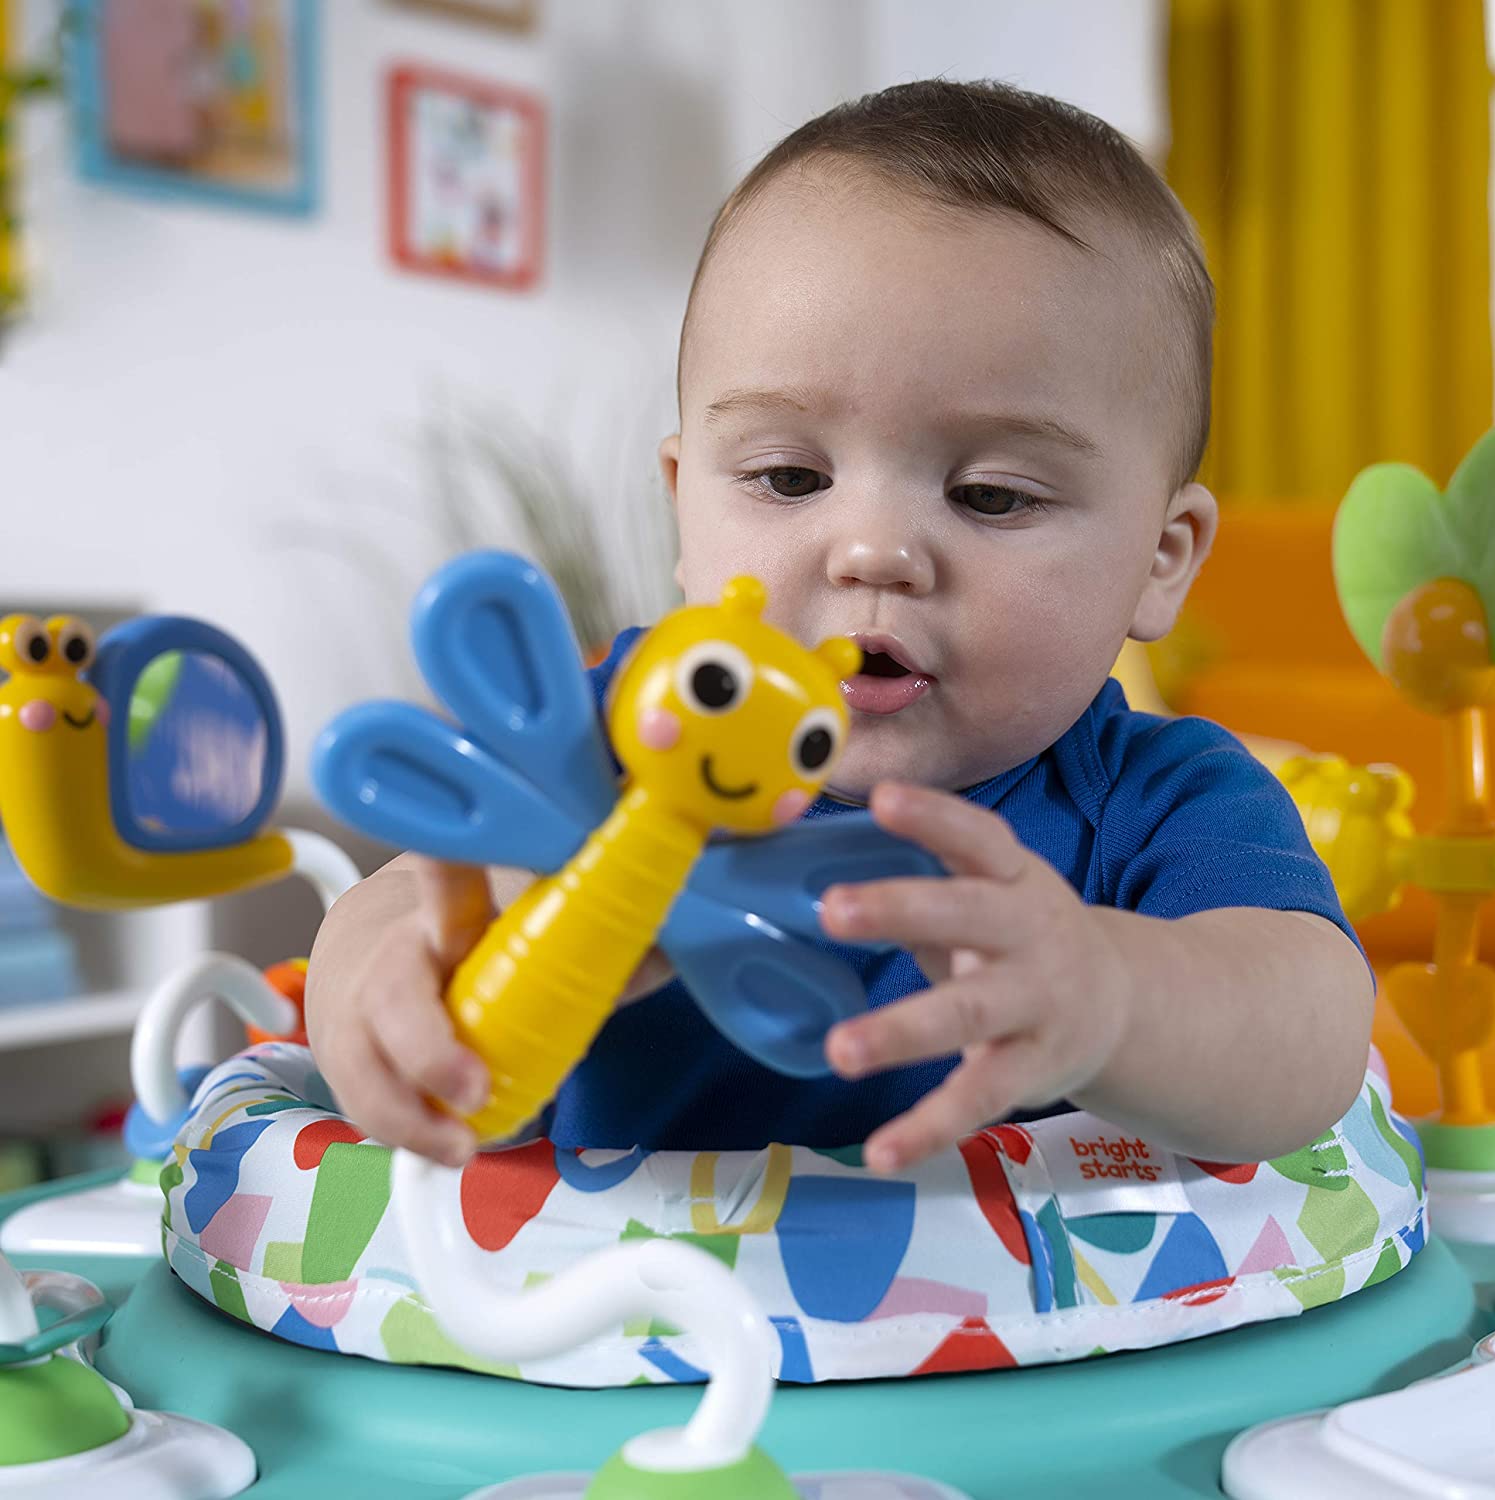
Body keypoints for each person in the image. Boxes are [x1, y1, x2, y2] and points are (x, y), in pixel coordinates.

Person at [305, 79, 1372, 1180]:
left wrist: (1111, 999)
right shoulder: (615, 733)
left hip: (1028, 1289)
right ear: (684, 507)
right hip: (596, 1286)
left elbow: (1313, 1031)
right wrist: (384, 987)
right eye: (789, 476)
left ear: (1160, 558)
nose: (873, 550)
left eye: (992, 494)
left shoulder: (1160, 801)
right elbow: (411, 890)